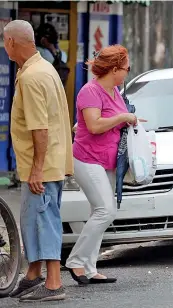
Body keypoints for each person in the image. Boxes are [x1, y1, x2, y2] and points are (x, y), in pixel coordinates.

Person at [4, 20, 73, 302]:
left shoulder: (33, 76)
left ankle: (54, 284)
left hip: (42, 166)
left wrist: (36, 169)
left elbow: (39, 128)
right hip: (50, 162)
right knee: (35, 220)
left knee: (44, 221)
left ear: (11, 43)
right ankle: (33, 275)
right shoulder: (42, 68)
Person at [65, 45, 137, 285]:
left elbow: (84, 123)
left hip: (107, 161)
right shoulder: (90, 91)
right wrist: (123, 117)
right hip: (86, 158)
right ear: (115, 69)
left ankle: (90, 266)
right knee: (105, 210)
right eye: (127, 68)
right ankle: (76, 261)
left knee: (101, 212)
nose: (128, 72)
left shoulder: (115, 91)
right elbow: (94, 126)